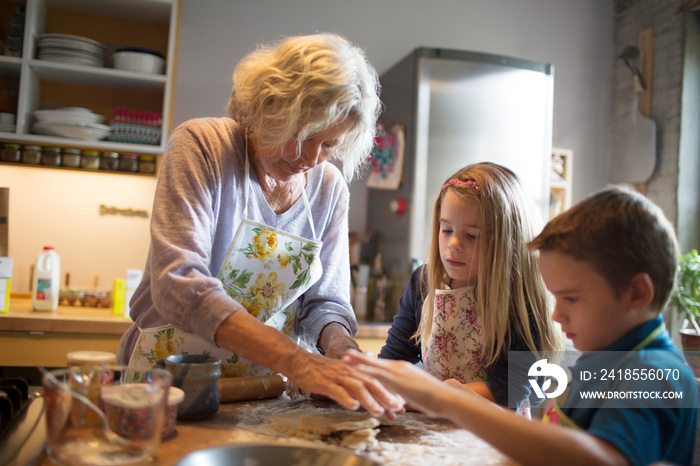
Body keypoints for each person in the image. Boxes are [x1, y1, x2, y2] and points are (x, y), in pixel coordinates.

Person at [117, 33, 402, 416]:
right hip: (168, 385)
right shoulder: (202, 146)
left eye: (329, 144)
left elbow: (325, 302)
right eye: (301, 135)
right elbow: (178, 284)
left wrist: (341, 349)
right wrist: (298, 361)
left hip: (266, 393)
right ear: (269, 106)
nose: (310, 158)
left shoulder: (329, 189)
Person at [346, 186, 698, 465]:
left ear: (636, 293)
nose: (557, 315)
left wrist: (449, 400)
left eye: (571, 298)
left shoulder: (655, 373)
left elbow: (599, 459)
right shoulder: (605, 362)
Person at [378, 162, 565, 414]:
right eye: (446, 230)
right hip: (433, 429)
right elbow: (395, 358)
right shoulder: (423, 283)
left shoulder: (516, 300)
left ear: (505, 242)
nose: (453, 244)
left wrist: (435, 396)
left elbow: (509, 387)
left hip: (494, 438)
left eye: (472, 236)